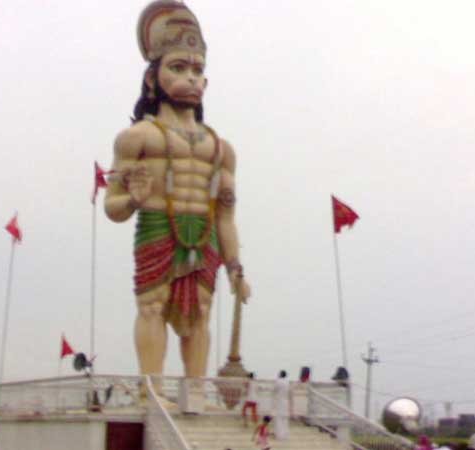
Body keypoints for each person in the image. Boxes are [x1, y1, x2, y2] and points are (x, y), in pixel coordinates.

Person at [105, 0, 251, 382]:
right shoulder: (136, 138)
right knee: (151, 306)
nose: (191, 78)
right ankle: (151, 391)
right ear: (152, 78)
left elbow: (225, 217)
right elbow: (112, 207)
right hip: (157, 226)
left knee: (200, 313)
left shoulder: (221, 149)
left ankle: (196, 392)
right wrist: (132, 199)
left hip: (204, 235)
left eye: (198, 70)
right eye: (178, 68)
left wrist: (235, 267)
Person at [272, 370, 289, 440]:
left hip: (279, 401)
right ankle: (284, 435)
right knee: (284, 419)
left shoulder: (278, 381)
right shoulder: (287, 382)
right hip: (285, 401)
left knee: (278, 418)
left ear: (280, 374)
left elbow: (274, 390)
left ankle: (279, 435)